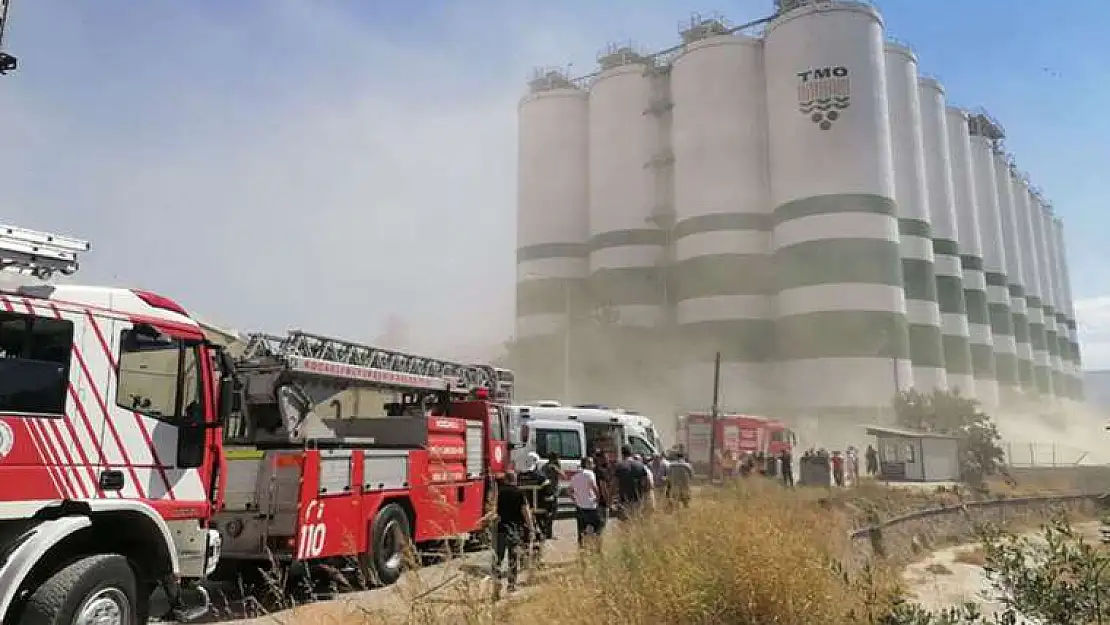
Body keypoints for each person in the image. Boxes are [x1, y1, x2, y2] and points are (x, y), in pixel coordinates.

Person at [494, 471, 536, 593]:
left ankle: (496, 583)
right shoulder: (520, 493)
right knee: (513, 558)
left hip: (501, 528)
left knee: (498, 558)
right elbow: (525, 511)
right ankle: (511, 585)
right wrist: (531, 528)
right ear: (515, 479)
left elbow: (495, 509)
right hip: (514, 530)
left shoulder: (500, 493)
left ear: (506, 479)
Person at [568, 456, 603, 551]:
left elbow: (569, 491)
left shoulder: (575, 476)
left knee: (581, 530)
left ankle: (582, 549)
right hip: (591, 505)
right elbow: (594, 487)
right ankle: (597, 549)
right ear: (587, 464)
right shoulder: (590, 474)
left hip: (580, 507)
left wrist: (575, 500)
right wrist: (598, 498)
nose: (593, 465)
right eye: (591, 463)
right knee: (597, 529)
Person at [613, 445, 651, 519]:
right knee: (636, 522)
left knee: (625, 524)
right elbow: (647, 482)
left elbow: (614, 484)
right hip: (638, 499)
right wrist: (645, 495)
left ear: (622, 453)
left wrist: (611, 499)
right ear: (631, 453)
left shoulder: (620, 466)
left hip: (624, 500)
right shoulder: (640, 465)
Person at [539, 452, 564, 540]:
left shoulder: (544, 466)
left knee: (549, 513)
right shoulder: (552, 467)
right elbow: (563, 475)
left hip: (548, 492)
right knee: (551, 513)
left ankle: (547, 533)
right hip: (551, 493)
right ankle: (547, 533)